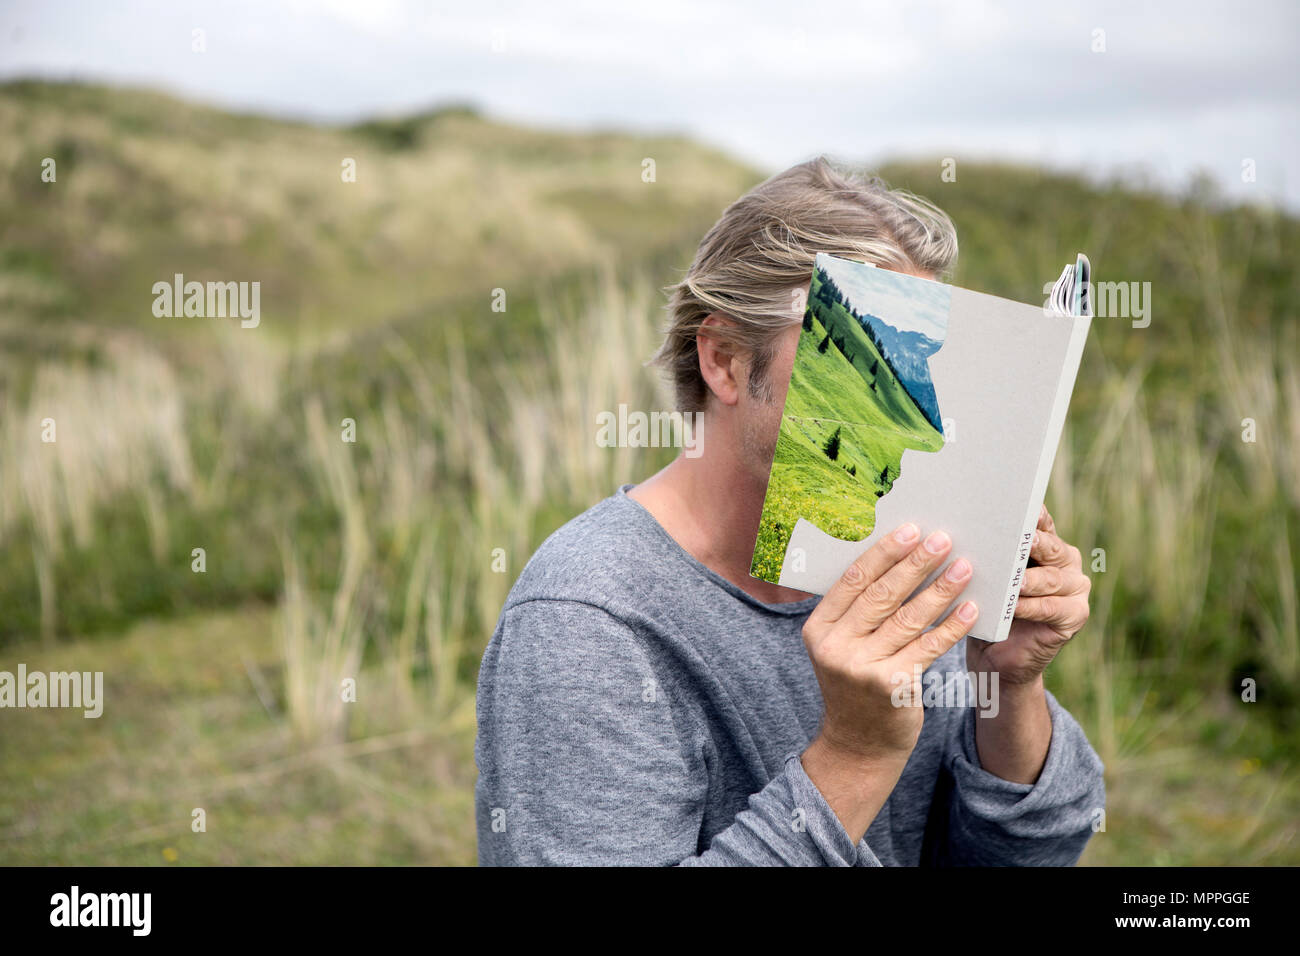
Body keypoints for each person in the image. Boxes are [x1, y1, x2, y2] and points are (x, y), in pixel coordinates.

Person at [474, 156, 1104, 865]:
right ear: (725, 361)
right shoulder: (587, 619)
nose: (922, 426)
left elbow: (1032, 855)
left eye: (920, 371)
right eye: (867, 365)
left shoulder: (893, 553)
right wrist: (857, 754)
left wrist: (1005, 685)